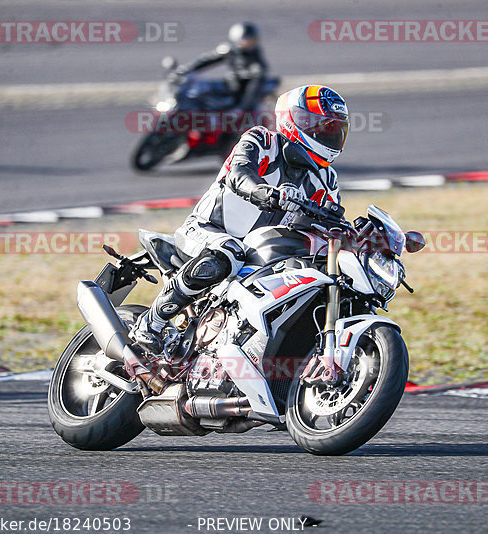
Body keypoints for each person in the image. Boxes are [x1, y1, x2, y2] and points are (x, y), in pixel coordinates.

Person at [131, 85, 350, 353]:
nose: (327, 135)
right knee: (228, 252)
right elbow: (239, 174)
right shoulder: (261, 140)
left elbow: (332, 217)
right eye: (320, 127)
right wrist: (263, 192)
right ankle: (150, 323)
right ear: (295, 120)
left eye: (333, 129)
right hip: (209, 229)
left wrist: (356, 232)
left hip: (259, 253)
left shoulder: (326, 178)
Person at [170, 22, 268, 112]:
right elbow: (206, 60)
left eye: (252, 40)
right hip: (229, 85)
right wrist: (185, 70)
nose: (250, 43)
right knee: (202, 90)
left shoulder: (256, 59)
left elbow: (255, 83)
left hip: (239, 94)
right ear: (239, 39)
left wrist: (242, 108)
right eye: (248, 40)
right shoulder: (229, 50)